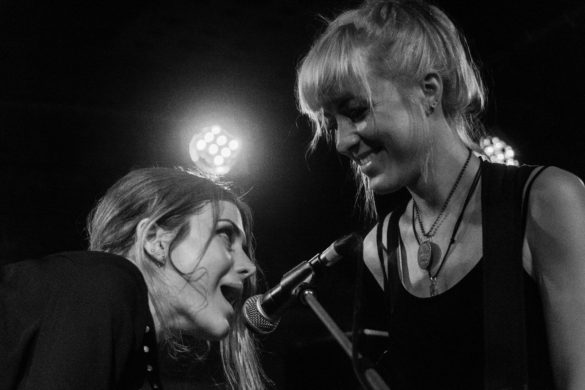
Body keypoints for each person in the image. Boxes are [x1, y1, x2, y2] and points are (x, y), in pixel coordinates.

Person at [296, 0, 585, 389]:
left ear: (428, 90)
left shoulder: (545, 199)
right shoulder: (380, 248)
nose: (343, 141)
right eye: (332, 124)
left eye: (356, 111)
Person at [0, 167, 268, 390]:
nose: (249, 267)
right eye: (225, 235)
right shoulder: (104, 280)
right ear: (155, 240)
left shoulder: (132, 356)